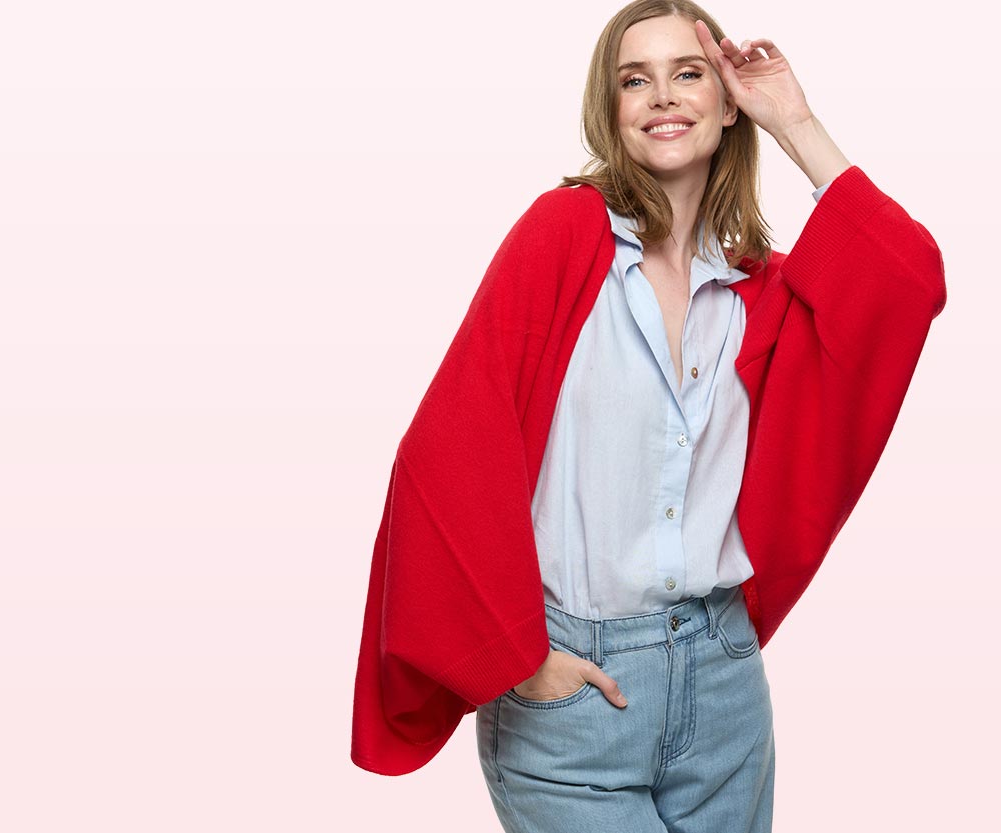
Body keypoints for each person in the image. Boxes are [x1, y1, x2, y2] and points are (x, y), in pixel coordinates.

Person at [349, 3, 948, 832]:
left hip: (723, 681)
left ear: (727, 101)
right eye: (636, 80)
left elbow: (908, 279)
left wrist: (793, 121)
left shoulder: (756, 290)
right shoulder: (563, 235)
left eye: (688, 73)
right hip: (573, 692)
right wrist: (520, 661)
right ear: (612, 108)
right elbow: (448, 448)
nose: (662, 95)